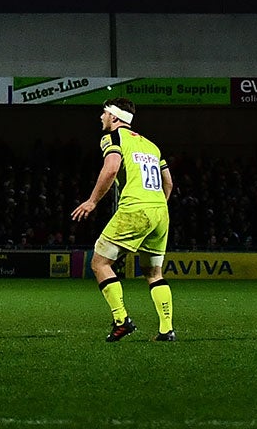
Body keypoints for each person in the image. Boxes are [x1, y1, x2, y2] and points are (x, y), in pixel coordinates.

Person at [70, 97, 176, 342]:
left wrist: (92, 201)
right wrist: (157, 207)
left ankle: (121, 320)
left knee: (99, 263)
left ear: (115, 117)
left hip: (135, 209)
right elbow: (168, 182)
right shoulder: (151, 145)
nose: (101, 117)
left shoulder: (112, 138)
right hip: (160, 211)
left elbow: (112, 168)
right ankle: (166, 329)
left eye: (104, 113)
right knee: (153, 272)